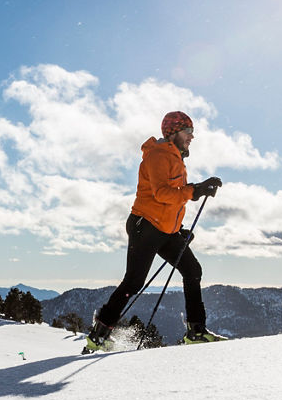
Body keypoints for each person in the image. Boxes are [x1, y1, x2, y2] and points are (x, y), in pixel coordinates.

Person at [84, 111, 224, 352]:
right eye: (188, 131)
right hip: (146, 225)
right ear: (173, 132)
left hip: (164, 229)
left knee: (192, 270)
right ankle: (99, 334)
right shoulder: (159, 155)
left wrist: (178, 230)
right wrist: (195, 191)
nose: (192, 136)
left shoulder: (176, 158)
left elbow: (170, 201)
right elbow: (162, 193)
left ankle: (196, 331)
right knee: (134, 281)